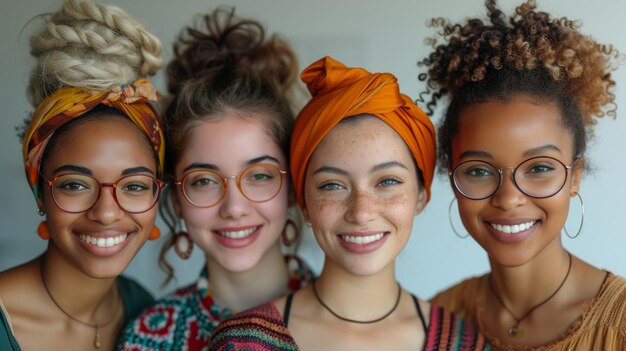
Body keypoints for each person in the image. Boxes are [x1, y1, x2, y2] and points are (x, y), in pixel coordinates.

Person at [210, 56, 489, 350]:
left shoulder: (464, 343)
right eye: (332, 185)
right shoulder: (242, 343)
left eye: (388, 181)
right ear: (303, 202)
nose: (361, 212)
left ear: (421, 194)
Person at [419, 0, 626, 349]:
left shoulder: (618, 325)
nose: (508, 198)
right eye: (480, 170)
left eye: (540, 168)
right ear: (451, 176)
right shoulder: (439, 317)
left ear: (575, 176)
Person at [118, 8, 314, 350]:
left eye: (259, 176)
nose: (234, 207)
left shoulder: (349, 318)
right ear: (177, 199)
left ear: (294, 186)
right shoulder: (148, 339)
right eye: (204, 180)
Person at [0, 0, 165, 350]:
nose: (106, 212)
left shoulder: (147, 313)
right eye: (75, 184)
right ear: (40, 193)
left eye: (134, 185)